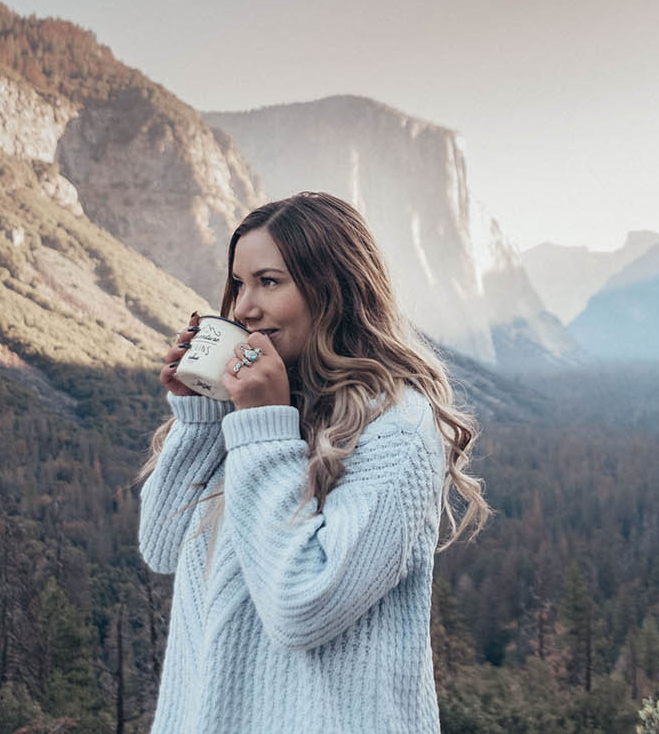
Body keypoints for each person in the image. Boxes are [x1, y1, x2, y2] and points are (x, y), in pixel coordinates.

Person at [138, 191, 490, 733]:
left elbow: (302, 607)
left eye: (269, 282)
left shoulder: (398, 429)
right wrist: (201, 417)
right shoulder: (266, 411)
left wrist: (262, 426)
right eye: (238, 284)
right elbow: (161, 546)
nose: (242, 309)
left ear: (333, 289)